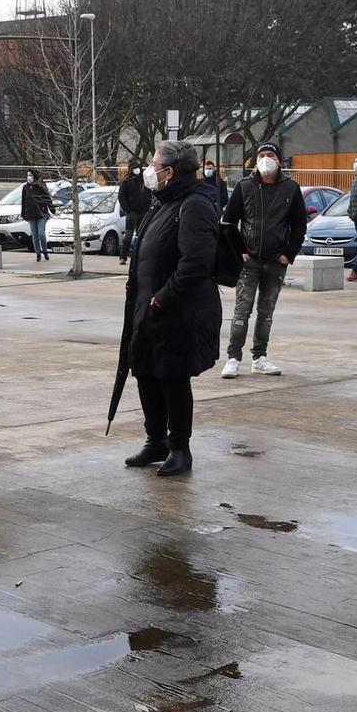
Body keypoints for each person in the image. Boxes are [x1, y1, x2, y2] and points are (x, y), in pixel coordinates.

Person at [121, 141, 221, 477]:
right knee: (145, 373)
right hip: (146, 308)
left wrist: (163, 297)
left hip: (176, 311)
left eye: (154, 164)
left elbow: (195, 263)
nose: (149, 170)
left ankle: (180, 447)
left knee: (172, 378)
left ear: (171, 171)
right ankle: (156, 441)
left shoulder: (194, 205)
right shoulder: (161, 202)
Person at [219, 141, 303, 377]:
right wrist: (240, 250)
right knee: (241, 311)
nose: (266, 159)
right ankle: (233, 357)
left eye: (271, 155)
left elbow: (299, 225)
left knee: (266, 312)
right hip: (249, 261)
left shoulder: (291, 188)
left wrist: (289, 253)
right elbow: (228, 222)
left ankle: (259, 356)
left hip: (276, 261)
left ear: (279, 160)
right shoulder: (245, 186)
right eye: (262, 155)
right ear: (255, 160)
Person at [118, 158, 152, 265]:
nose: (137, 170)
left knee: (142, 235)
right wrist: (127, 209)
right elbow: (121, 197)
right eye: (134, 168)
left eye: (138, 168)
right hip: (132, 212)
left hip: (144, 211)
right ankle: (123, 257)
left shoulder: (144, 181)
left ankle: (140, 256)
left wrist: (148, 205)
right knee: (128, 236)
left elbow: (150, 194)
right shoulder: (126, 182)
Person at [20, 169, 53, 261]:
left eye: (30, 175)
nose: (28, 177)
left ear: (34, 176)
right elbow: (23, 201)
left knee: (41, 234)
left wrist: (52, 208)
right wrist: (23, 213)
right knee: (34, 235)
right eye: (27, 175)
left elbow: (47, 199)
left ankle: (45, 251)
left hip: (41, 214)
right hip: (30, 214)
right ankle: (38, 252)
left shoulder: (41, 186)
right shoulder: (25, 187)